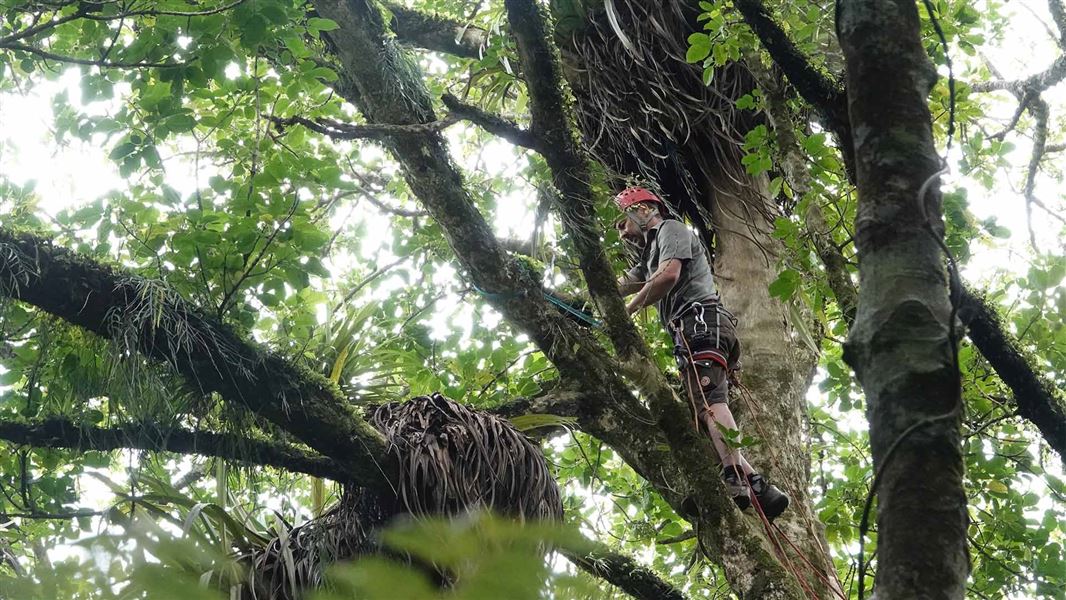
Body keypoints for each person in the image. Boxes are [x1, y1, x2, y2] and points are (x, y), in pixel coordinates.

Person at [614, 186, 789, 521]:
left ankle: (734, 480)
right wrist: (581, 301)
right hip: (694, 329)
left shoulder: (671, 229)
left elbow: (669, 276)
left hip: (700, 322)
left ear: (645, 209)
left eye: (624, 220)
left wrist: (629, 310)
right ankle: (760, 488)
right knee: (701, 410)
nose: (622, 230)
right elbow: (622, 283)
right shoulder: (649, 255)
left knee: (710, 404)